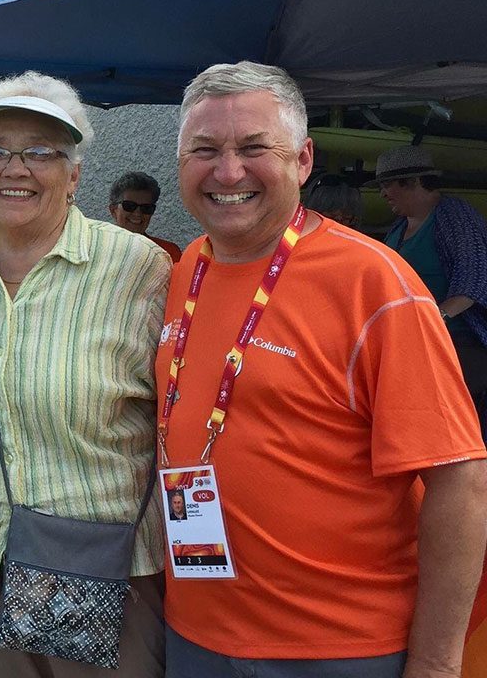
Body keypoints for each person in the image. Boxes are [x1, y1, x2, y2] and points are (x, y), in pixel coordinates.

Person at [160, 61, 487, 677]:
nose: (228, 172)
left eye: (254, 148)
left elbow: (460, 481)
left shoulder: (372, 282)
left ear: (304, 160)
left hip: (339, 648)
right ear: (181, 163)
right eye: (205, 150)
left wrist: (436, 664)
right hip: (195, 635)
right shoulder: (185, 271)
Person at [0, 72, 169, 678]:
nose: (15, 168)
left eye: (41, 151)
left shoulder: (140, 269)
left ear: (74, 175)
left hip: (98, 573)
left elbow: (181, 417)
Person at [370, 144, 487, 436]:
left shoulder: (454, 215)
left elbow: (474, 278)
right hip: (411, 344)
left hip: (458, 345)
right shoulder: (398, 228)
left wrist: (435, 318)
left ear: (413, 181)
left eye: (387, 184)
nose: (382, 193)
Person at [108, 171, 182, 262]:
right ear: (113, 210)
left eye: (146, 208)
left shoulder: (168, 253)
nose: (137, 213)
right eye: (130, 206)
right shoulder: (97, 248)